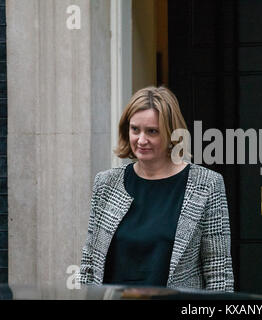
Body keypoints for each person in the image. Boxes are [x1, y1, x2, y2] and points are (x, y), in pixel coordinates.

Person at [77, 86, 234, 291]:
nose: (141, 140)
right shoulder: (106, 183)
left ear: (171, 134)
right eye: (135, 129)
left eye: (152, 131)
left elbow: (218, 271)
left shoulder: (206, 185)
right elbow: (89, 264)